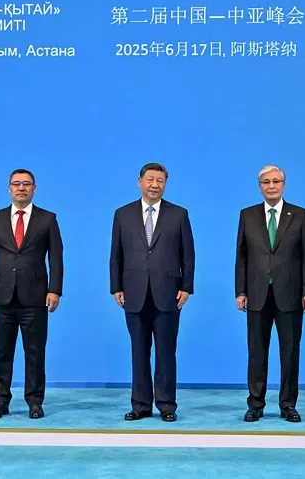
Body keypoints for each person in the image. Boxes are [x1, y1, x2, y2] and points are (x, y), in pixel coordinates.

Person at [0, 169, 64, 420]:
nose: (21, 188)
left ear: (34, 188)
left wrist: (54, 289)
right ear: (9, 189)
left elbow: (56, 257)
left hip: (35, 296)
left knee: (35, 352)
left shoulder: (47, 219)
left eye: (26, 184)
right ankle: (0, 401)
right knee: (1, 352)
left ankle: (34, 401)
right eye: (16, 184)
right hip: (0, 295)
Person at [109, 163, 195, 422]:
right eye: (150, 179)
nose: (155, 184)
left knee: (166, 352)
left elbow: (188, 255)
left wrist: (186, 287)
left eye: (160, 180)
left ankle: (167, 405)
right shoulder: (122, 214)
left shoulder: (178, 214)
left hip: (169, 293)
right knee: (139, 352)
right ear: (140, 182)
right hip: (133, 292)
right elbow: (116, 255)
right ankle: (140, 405)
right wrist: (116, 286)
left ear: (165, 184)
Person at [235, 165, 305, 423]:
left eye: (276, 181)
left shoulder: (300, 215)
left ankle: (288, 404)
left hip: (290, 293)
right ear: (260, 186)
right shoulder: (247, 215)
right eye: (266, 182)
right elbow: (242, 256)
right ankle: (255, 404)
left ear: (283, 184)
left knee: (290, 353)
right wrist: (240, 291)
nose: (271, 186)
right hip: (256, 293)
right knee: (256, 352)